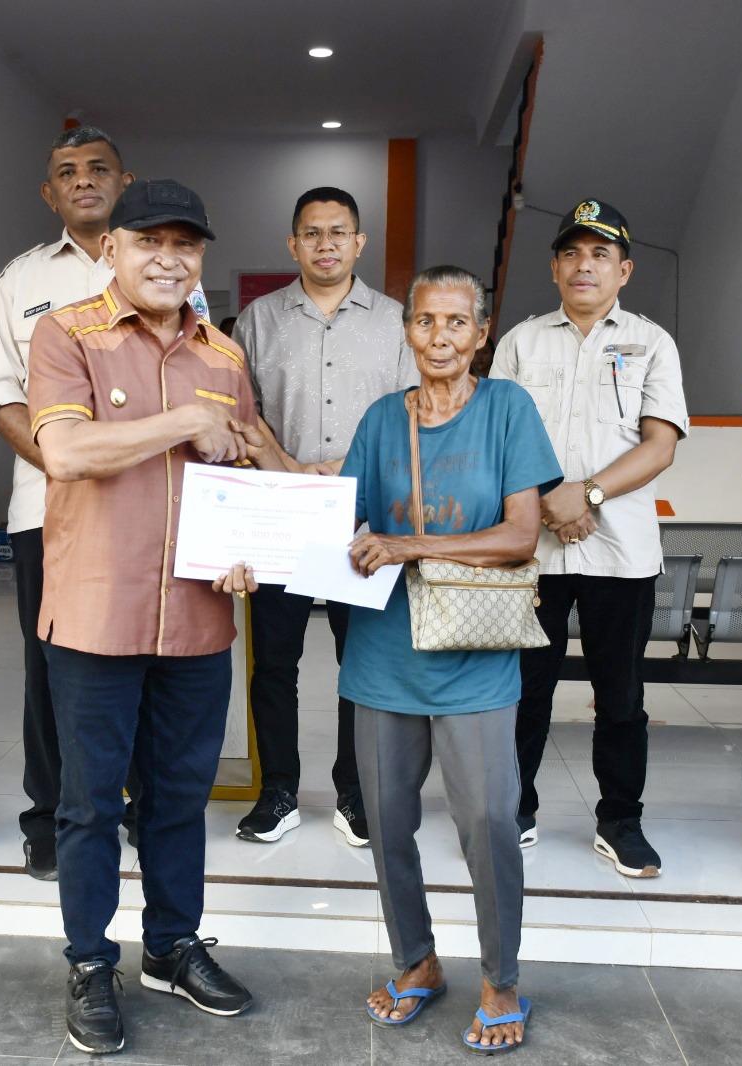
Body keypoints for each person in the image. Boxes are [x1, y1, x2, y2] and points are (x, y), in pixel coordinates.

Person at [28, 178, 275, 1055]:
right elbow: (64, 450)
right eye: (149, 242)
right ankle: (91, 961)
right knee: (90, 805)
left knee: (179, 798)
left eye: (186, 244)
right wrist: (182, 421)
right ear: (112, 249)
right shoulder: (67, 335)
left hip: (197, 619)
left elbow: (241, 473)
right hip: (98, 613)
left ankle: (171, 946)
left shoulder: (225, 356)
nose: (169, 259)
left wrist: (253, 544)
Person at [343, 265, 560, 1053]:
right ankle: (417, 960)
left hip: (475, 655)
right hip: (382, 655)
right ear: (407, 330)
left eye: (457, 322)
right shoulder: (379, 420)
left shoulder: (507, 409)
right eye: (426, 321)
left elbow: (521, 535)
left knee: (490, 821)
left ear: (481, 332)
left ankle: (501, 980)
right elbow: (342, 523)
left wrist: (409, 545)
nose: (441, 337)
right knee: (387, 822)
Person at [0, 126, 206, 879]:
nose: (83, 180)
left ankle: (140, 808)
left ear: (122, 183)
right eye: (67, 171)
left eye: (98, 168)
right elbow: (1, 397)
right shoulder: (20, 280)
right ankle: (52, 817)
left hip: (157, 512)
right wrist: (67, 464)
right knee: (56, 671)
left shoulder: (169, 268)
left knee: (146, 660)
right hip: (46, 509)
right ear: (49, 193)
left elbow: (196, 380)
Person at [492, 198, 687, 878]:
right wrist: (552, 500)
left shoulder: (652, 343)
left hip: (620, 552)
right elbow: (498, 436)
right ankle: (513, 810)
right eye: (572, 253)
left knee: (621, 696)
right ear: (554, 268)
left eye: (600, 254)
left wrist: (589, 494)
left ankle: (620, 821)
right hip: (533, 549)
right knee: (523, 690)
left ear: (623, 270)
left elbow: (660, 445)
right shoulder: (521, 342)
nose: (585, 265)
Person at [232, 186, 417, 846]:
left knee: (359, 662)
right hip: (281, 514)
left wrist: (348, 469)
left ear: (359, 242)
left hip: (363, 520)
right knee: (274, 664)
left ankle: (354, 791)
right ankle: (278, 791)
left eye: (339, 232)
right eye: (312, 233)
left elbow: (411, 414)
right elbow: (242, 412)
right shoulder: (258, 321)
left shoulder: (396, 321)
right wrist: (286, 464)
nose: (326, 244)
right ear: (293, 244)